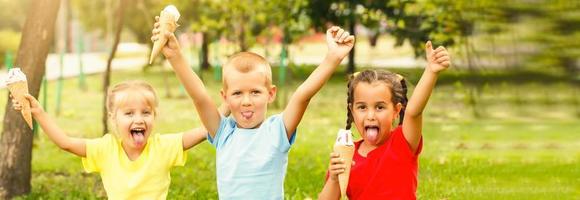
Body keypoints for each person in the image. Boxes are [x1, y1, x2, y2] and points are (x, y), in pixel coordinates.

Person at [151, 15, 355, 198]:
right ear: (225, 98)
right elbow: (200, 97)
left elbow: (303, 96)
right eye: (237, 93)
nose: (246, 101)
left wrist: (333, 57)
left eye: (255, 92)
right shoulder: (223, 133)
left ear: (270, 94)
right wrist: (175, 56)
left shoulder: (277, 130)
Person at [11, 80, 228, 199]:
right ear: (113, 118)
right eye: (129, 113)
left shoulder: (163, 147)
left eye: (146, 112)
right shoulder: (105, 149)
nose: (139, 119)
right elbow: (65, 142)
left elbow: (203, 130)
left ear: (155, 116)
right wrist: (38, 112)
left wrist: (230, 104)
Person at [318, 41, 451, 199]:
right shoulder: (347, 155)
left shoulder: (403, 142)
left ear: (396, 110)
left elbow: (414, 112)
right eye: (362, 107)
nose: (371, 115)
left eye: (380, 107)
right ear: (352, 111)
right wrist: (333, 179)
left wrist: (431, 71)